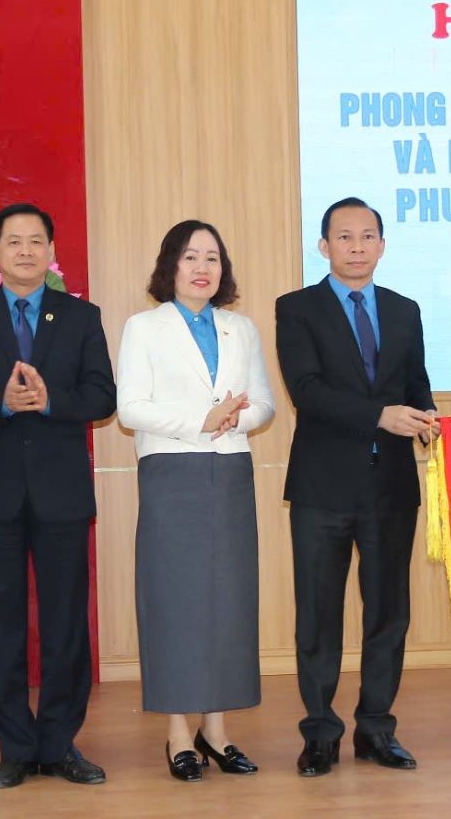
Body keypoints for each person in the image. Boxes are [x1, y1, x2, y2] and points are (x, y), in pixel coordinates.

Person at [0, 202, 116, 788]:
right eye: (13, 241)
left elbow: (101, 396)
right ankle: (15, 745)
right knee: (4, 623)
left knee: (66, 624)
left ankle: (61, 743)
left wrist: (50, 401)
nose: (25, 251)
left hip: (61, 494)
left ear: (51, 250)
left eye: (36, 241)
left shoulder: (81, 316)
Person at [275, 197, 439, 777]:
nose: (356, 247)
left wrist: (425, 420)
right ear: (324, 246)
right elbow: (308, 390)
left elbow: (416, 383)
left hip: (391, 486)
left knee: (388, 613)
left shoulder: (404, 309)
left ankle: (376, 728)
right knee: (318, 614)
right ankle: (319, 731)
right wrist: (380, 416)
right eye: (344, 237)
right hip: (323, 486)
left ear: (382, 245)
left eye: (367, 236)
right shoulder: (296, 309)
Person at [117, 220, 275, 782]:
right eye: (190, 257)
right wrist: (199, 422)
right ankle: (178, 735)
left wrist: (237, 417)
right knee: (176, 603)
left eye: (212, 257)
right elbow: (130, 407)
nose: (202, 267)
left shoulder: (240, 327)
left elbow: (264, 404)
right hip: (171, 470)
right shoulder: (144, 328)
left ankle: (217, 731)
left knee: (228, 603)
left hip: (230, 470)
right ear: (171, 266)